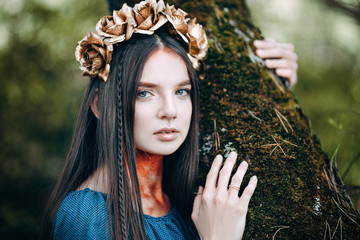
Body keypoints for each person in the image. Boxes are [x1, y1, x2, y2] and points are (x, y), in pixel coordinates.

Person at [41, 1, 298, 239]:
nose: (170, 110)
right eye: (144, 93)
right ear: (98, 105)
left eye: (181, 91)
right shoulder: (86, 217)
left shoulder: (185, 198)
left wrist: (276, 85)